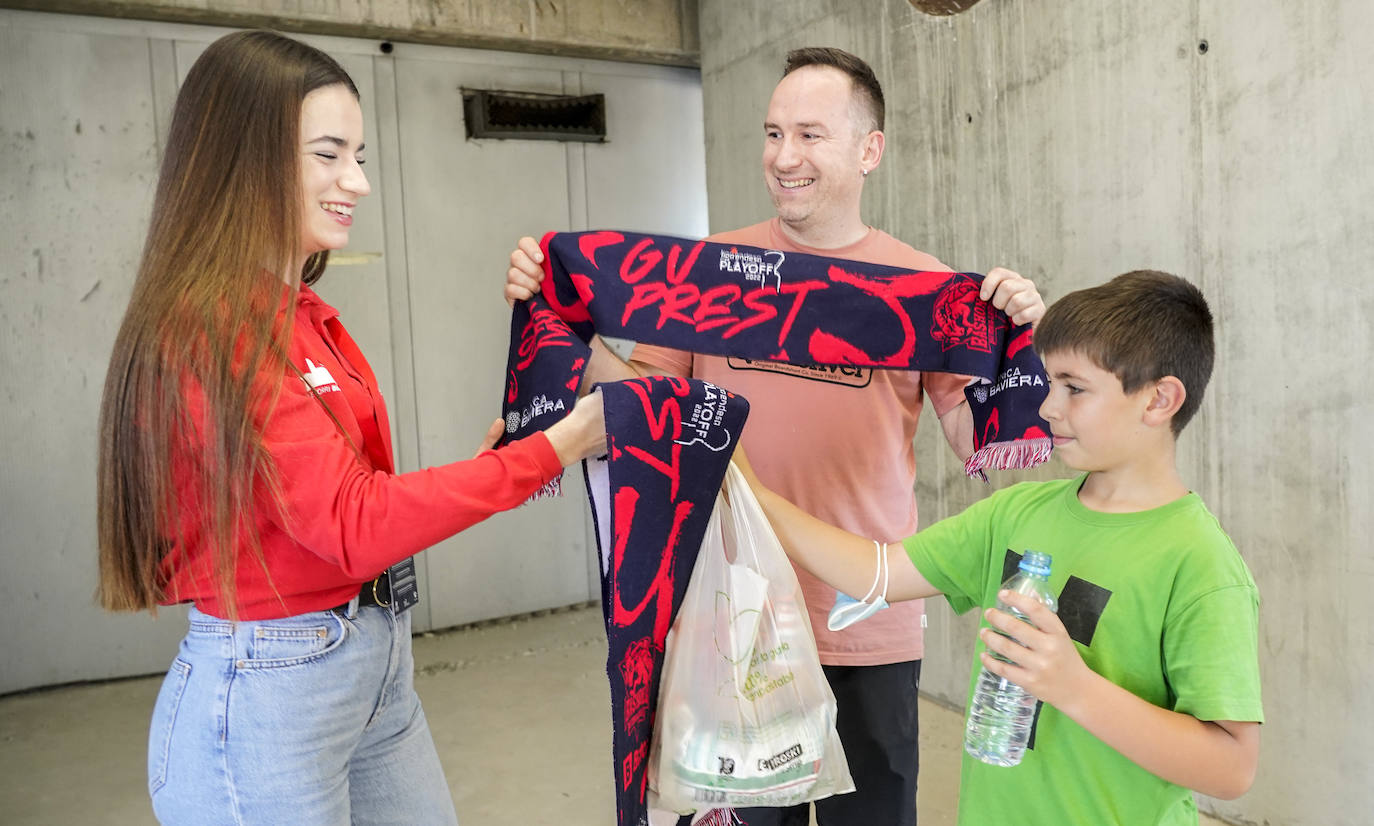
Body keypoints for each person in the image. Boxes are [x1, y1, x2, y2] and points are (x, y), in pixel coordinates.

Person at [504, 47, 1044, 825]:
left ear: (870, 149)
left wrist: (1015, 332)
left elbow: (976, 443)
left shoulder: (924, 287)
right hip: (736, 616)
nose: (783, 157)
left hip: (868, 618)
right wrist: (557, 318)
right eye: (772, 133)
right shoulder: (715, 271)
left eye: (810, 135)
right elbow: (643, 404)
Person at [96, 30, 606, 825]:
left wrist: (503, 452)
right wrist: (552, 450)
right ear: (246, 155)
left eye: (358, 155)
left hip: (373, 661)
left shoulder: (304, 317)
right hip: (272, 689)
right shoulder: (211, 331)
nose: (358, 182)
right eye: (329, 155)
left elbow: (347, 499)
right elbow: (351, 524)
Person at [737, 271, 1263, 824]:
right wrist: (757, 495)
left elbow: (1231, 767)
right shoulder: (1016, 513)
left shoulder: (1200, 563)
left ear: (1159, 400)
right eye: (1048, 382)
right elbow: (880, 574)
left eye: (1074, 388)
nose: (1047, 407)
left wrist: (1074, 688)